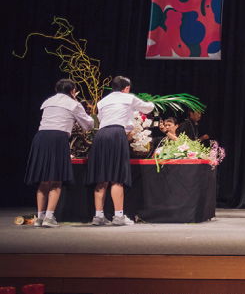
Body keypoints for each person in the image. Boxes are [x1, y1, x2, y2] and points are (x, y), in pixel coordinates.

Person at [24, 79, 95, 228]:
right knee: (56, 180)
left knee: (44, 180)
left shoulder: (48, 101)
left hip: (41, 137)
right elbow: (88, 125)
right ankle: (49, 218)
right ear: (72, 91)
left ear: (56, 89)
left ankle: (40, 218)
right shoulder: (73, 104)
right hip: (58, 138)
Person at [86, 76, 154, 226]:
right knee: (117, 176)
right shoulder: (128, 97)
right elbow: (148, 108)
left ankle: (98, 216)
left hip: (101, 135)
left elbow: (102, 119)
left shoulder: (102, 101)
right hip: (117, 134)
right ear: (127, 88)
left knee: (101, 176)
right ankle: (118, 216)